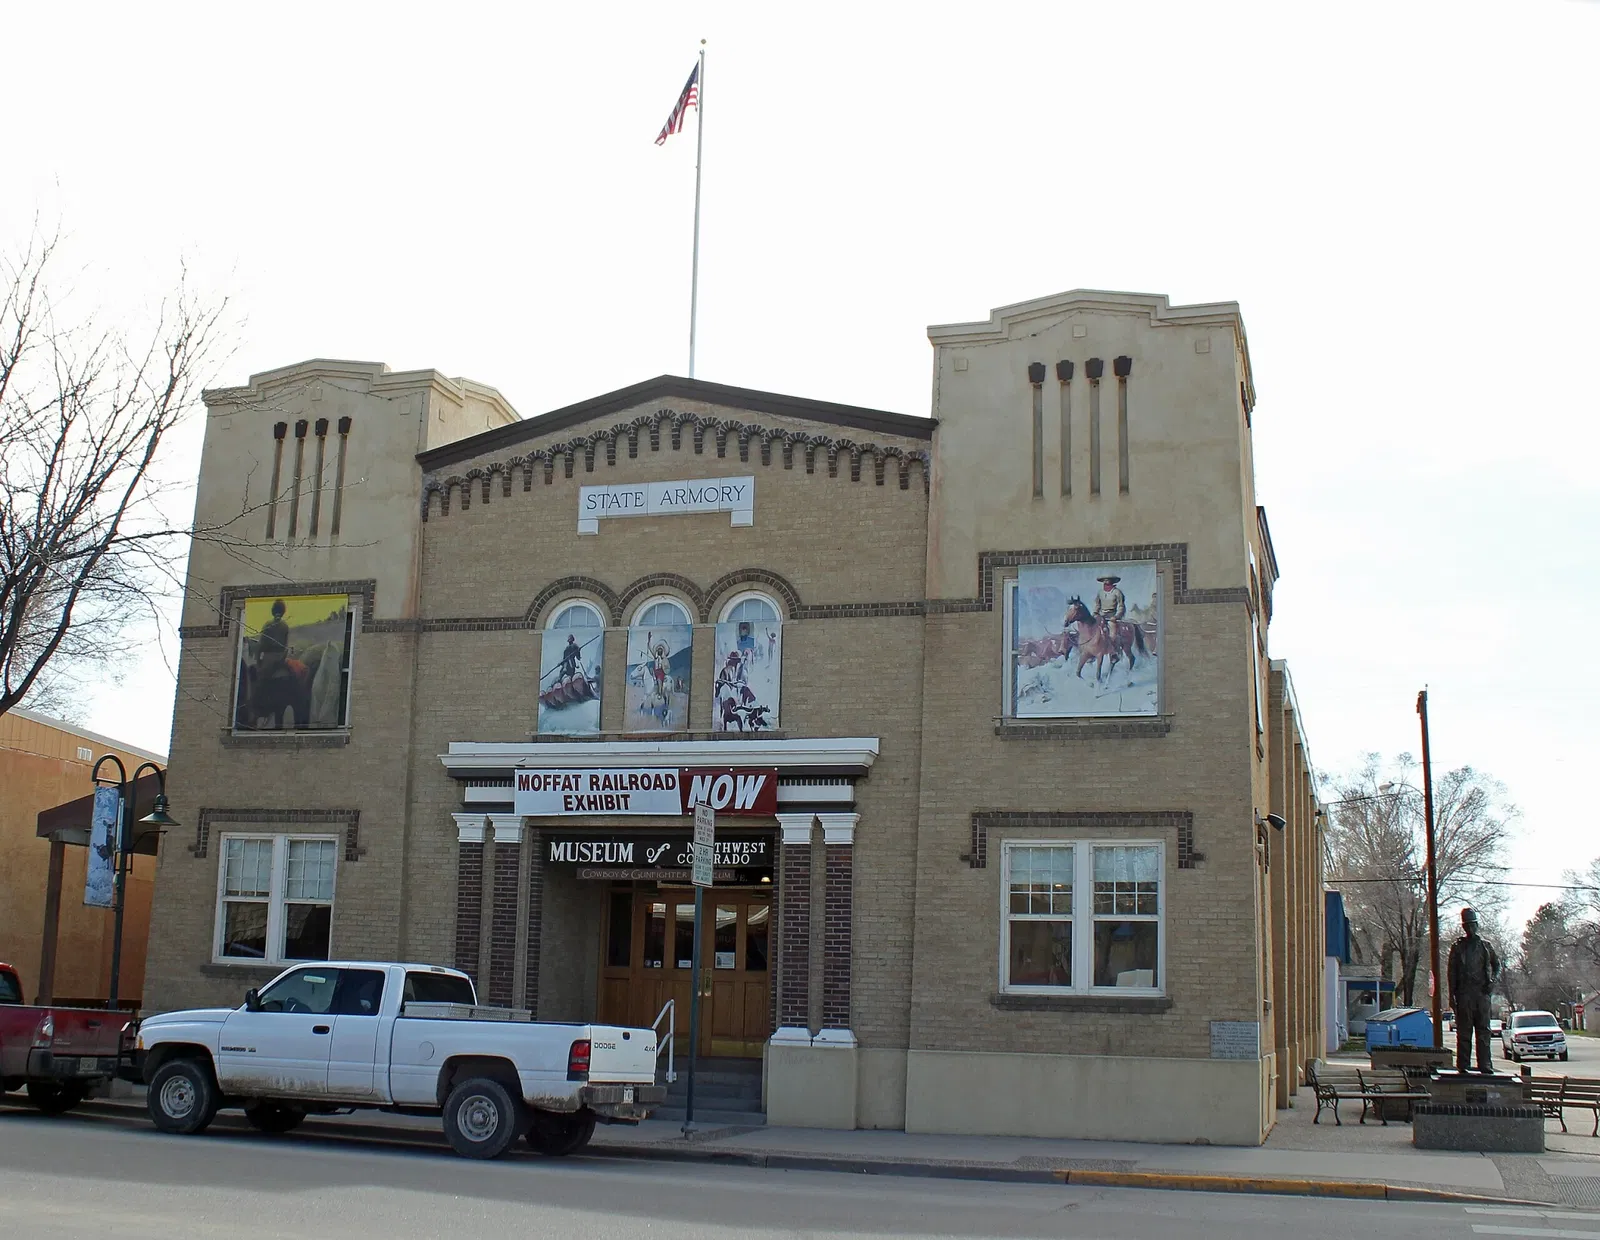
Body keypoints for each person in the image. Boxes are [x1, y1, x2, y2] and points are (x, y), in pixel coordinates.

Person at [1447, 906, 1501, 1073]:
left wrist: (1492, 980)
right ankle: (1463, 1065)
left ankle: (1485, 1064)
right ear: (1463, 927)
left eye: (1473, 924)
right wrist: (1451, 995)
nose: (1470, 928)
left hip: (1482, 993)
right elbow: (1452, 972)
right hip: (1464, 994)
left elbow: (1497, 965)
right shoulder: (1458, 947)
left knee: (1483, 1030)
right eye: (1467, 925)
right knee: (1464, 1031)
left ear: (1477, 925)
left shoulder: (1485, 946)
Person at [257, 599, 291, 681]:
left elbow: (261, 645)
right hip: (281, 658)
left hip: (268, 658)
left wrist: (259, 662)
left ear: (273, 611)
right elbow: (286, 646)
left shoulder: (267, 625)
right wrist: (282, 660)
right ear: (283, 611)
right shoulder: (285, 626)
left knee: (261, 683)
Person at [1090, 574, 1126, 643]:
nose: (1106, 581)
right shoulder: (1100, 592)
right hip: (1102, 614)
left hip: (1112, 615)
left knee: (1112, 628)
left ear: (1111, 581)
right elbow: (1097, 605)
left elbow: (1121, 606)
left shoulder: (1117, 592)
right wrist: (1095, 613)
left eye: (1107, 580)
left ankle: (1112, 647)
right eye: (1104, 580)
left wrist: (1116, 616)